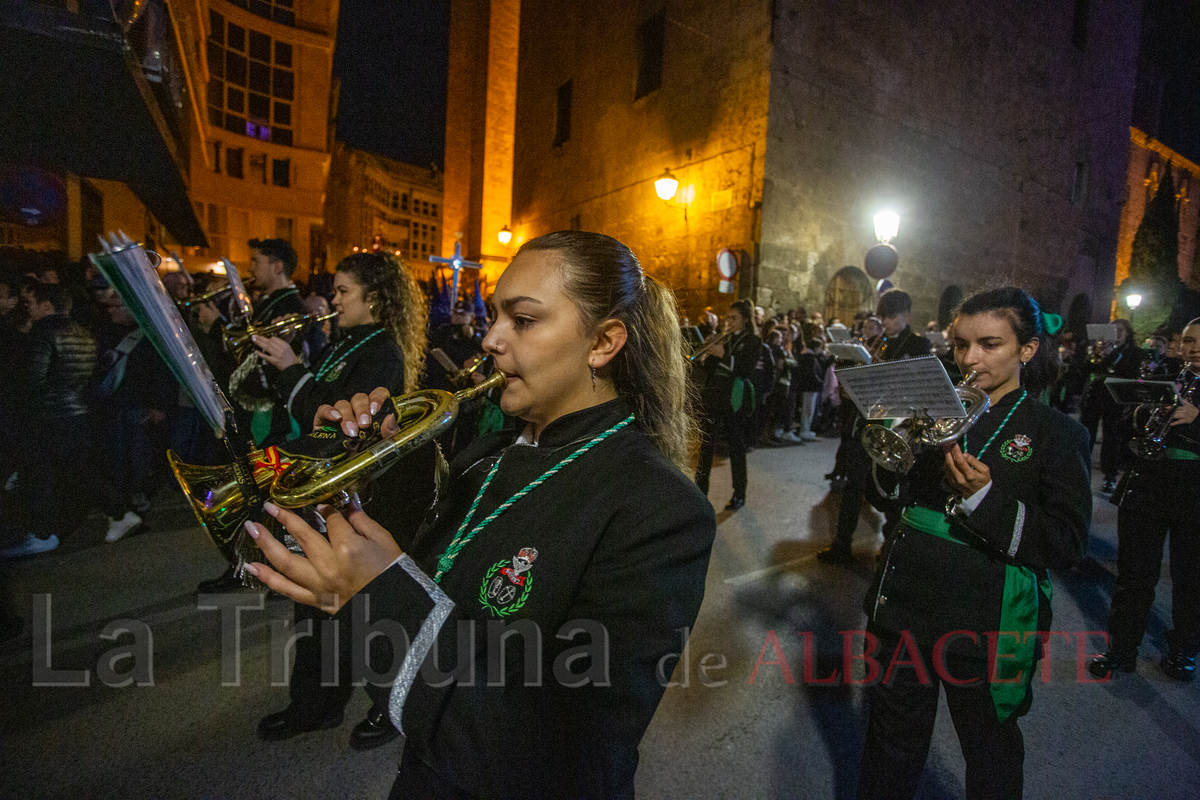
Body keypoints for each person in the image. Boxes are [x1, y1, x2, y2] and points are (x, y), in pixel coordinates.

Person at [245, 230, 716, 798]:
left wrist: (372, 596)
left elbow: (567, 749)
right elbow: (423, 580)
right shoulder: (487, 455)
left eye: (523, 320)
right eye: (496, 316)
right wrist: (352, 482)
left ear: (603, 342)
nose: (490, 339)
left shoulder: (661, 509)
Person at [856, 287, 1091, 800]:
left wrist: (984, 497)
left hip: (984, 621)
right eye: (961, 345)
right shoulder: (933, 409)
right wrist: (888, 457)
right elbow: (889, 502)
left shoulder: (1056, 433)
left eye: (989, 344)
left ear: (1027, 350)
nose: (969, 359)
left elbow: (1067, 544)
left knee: (990, 753)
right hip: (904, 610)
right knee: (890, 746)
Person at [252, 251, 430, 748]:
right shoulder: (347, 342)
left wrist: (292, 368)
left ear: (374, 298)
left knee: (361, 608)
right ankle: (315, 704)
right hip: (322, 491)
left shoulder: (383, 352)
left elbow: (336, 427)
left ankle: (389, 704)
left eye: (343, 291)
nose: (333, 300)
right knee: (315, 606)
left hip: (357, 499)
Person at [1090, 318, 1200, 682]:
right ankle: (1121, 650)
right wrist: (1144, 414)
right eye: (1187, 341)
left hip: (1194, 489)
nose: (1193, 347)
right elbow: (1125, 412)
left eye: (1199, 341)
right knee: (1134, 573)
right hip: (1149, 481)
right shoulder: (1164, 371)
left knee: (1191, 578)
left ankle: (1184, 650)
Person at [198, 238, 308, 593]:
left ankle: (257, 570)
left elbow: (257, 357)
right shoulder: (270, 304)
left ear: (278, 267)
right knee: (259, 497)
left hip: (271, 419)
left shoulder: (289, 307)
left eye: (257, 261)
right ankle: (254, 568)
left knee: (264, 498)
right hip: (258, 414)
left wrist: (217, 328)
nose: (251, 269)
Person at [819, 291, 931, 564]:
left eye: (891, 317)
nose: (886, 322)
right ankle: (842, 545)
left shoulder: (918, 344)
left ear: (906, 315)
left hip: (892, 426)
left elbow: (915, 383)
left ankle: (889, 546)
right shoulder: (876, 342)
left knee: (890, 490)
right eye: (883, 316)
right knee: (853, 486)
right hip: (863, 421)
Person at [695, 299, 762, 510]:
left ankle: (739, 493)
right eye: (727, 318)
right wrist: (706, 352)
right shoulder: (724, 338)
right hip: (714, 395)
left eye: (734, 318)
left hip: (734, 398)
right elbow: (708, 367)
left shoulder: (752, 341)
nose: (729, 322)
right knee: (706, 446)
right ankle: (699, 492)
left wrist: (722, 353)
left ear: (744, 320)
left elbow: (745, 369)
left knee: (736, 445)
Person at [1080, 318, 1143, 493]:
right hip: (1094, 397)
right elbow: (1086, 369)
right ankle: (1081, 471)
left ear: (1127, 333)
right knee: (1085, 434)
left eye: (1120, 330)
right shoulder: (1100, 348)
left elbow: (1130, 371)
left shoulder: (1133, 352)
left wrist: (1113, 354)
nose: (1116, 334)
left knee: (1111, 438)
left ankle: (1110, 476)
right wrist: (1095, 355)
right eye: (1113, 330)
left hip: (1115, 399)